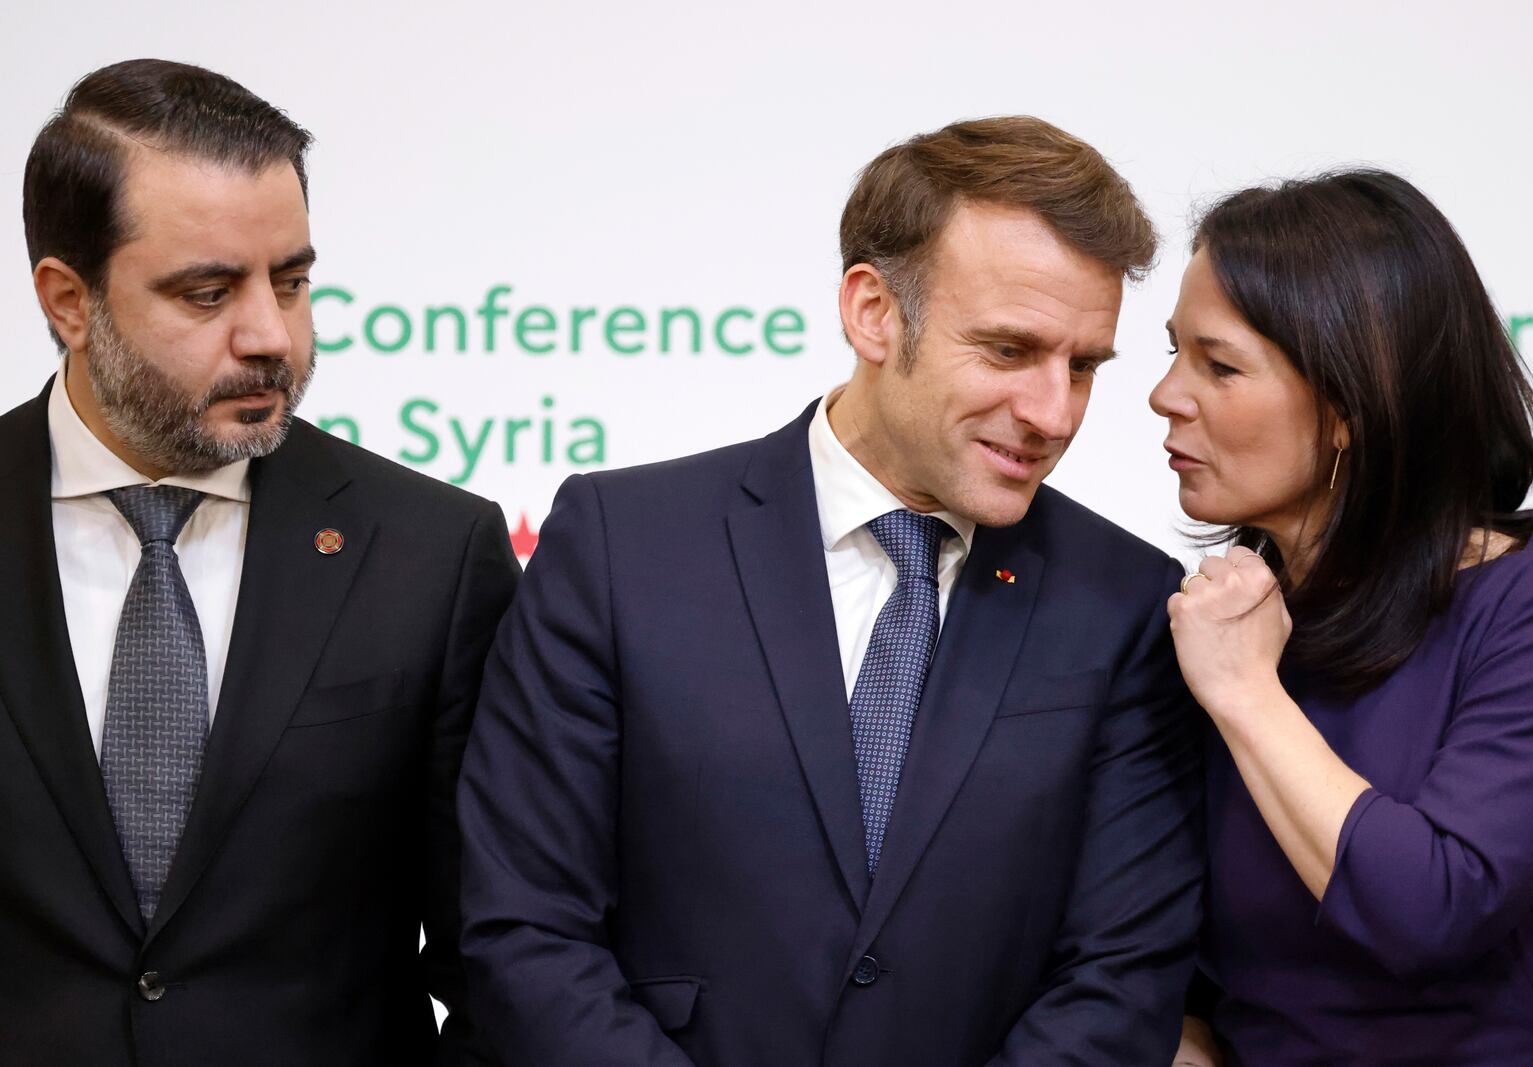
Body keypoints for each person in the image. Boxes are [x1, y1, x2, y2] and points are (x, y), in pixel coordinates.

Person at [459, 116, 1204, 1066]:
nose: (1052, 412)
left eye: (1084, 365)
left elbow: (1122, 971)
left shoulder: (1127, 602)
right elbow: (523, 924)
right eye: (1010, 351)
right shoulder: (622, 543)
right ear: (874, 312)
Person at [0, 59, 519, 1065]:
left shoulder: (432, 552)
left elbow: (499, 949)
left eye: (291, 280)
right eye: (208, 292)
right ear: (69, 299)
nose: (271, 335)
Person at [1152, 170, 1533, 1066]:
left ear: (1352, 402)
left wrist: (1246, 692)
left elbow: (1434, 907)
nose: (1166, 394)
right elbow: (1177, 960)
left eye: (1219, 365)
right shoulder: (1218, 620)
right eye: (1173, 353)